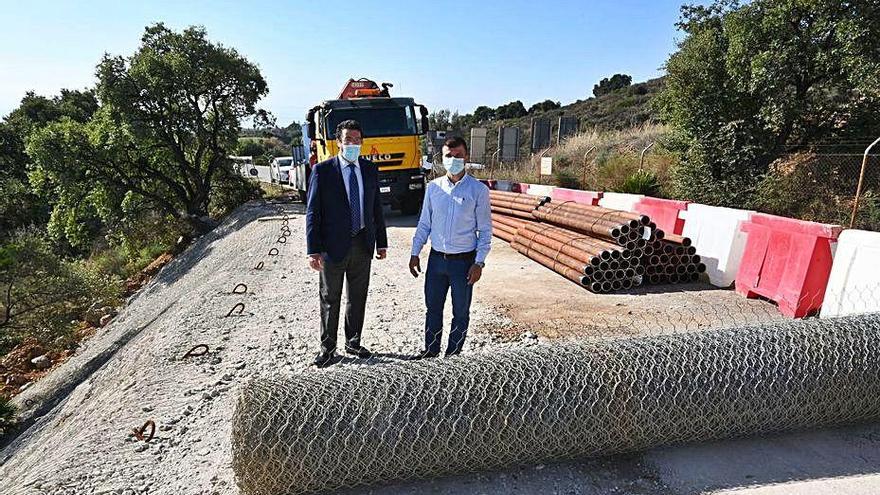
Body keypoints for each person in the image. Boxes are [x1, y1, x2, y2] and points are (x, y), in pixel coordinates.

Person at [306, 119, 388, 367]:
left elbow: (376, 209)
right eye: (347, 140)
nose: (353, 144)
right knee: (330, 296)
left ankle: (353, 341)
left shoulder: (369, 169)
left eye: (356, 139)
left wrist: (381, 242)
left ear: (362, 142)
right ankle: (328, 348)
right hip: (333, 247)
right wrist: (313, 250)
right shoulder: (323, 171)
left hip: (362, 243)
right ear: (338, 143)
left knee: (358, 296)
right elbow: (313, 212)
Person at [409, 136, 492, 358]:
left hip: (464, 263)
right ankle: (431, 352)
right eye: (449, 156)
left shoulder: (478, 191)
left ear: (466, 158)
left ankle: (452, 357)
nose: (453, 160)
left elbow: (485, 231)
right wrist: (415, 252)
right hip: (437, 261)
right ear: (442, 158)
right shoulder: (433, 188)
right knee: (433, 309)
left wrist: (479, 263)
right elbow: (424, 223)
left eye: (458, 156)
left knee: (461, 312)